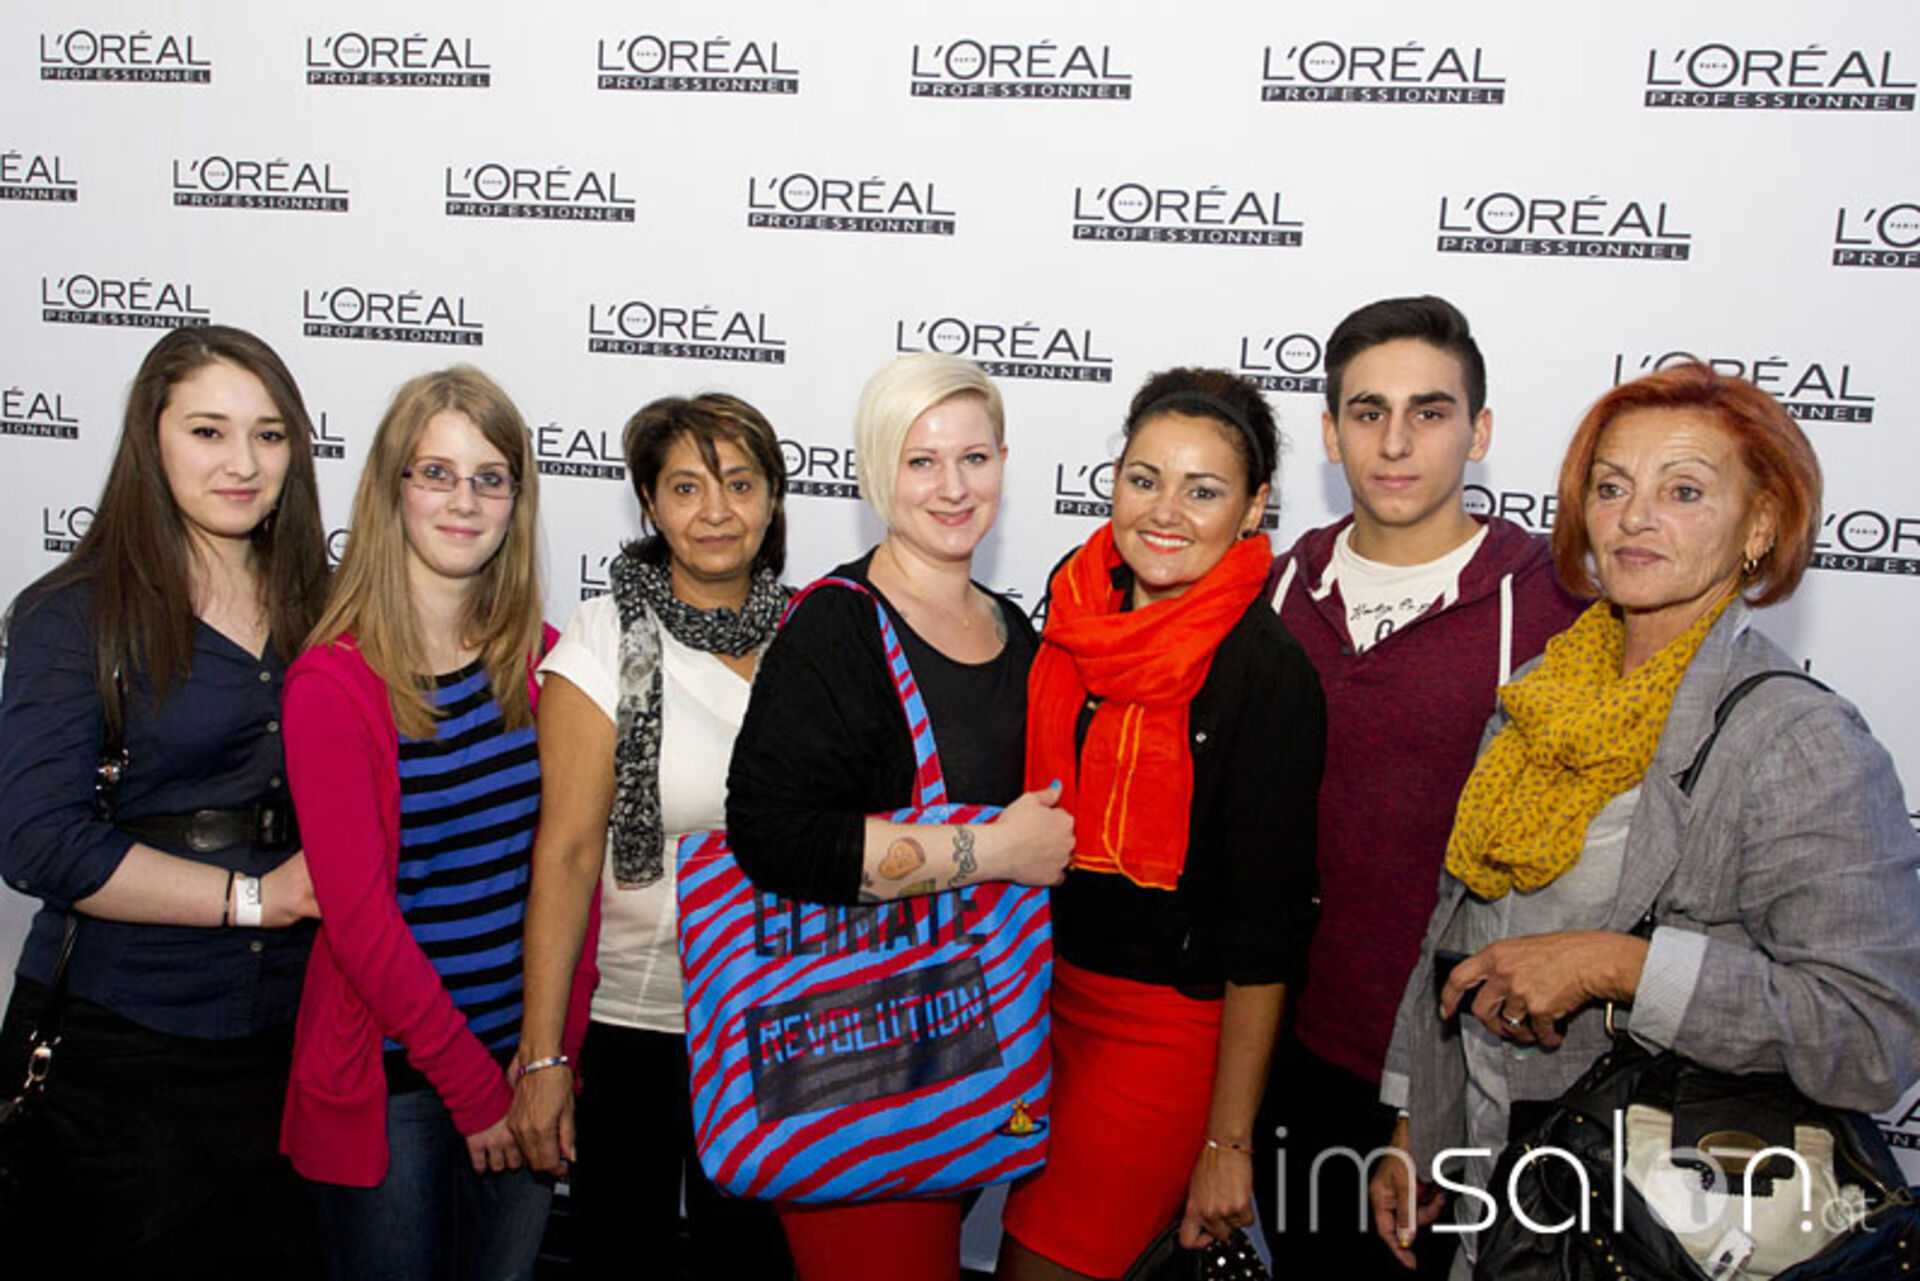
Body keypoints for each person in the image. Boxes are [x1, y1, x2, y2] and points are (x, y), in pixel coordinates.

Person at [1369, 363, 1920, 1277]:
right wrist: (1414, 1124)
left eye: (1684, 491)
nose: (1635, 517)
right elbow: (1459, 926)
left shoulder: (1797, 738)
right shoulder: (1540, 694)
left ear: (1761, 525)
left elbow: (1870, 1036)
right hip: (1498, 1199)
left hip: (1655, 1228)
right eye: (1612, 487)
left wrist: (1619, 965)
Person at [725, 352, 1075, 1281]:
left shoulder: (1012, 629)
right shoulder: (835, 627)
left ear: (1004, 463)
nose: (953, 487)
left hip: (972, 1047)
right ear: (879, 473)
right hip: (854, 1060)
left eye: (974, 458)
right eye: (922, 461)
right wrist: (995, 850)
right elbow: (775, 835)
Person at [1256, 296, 1581, 1272]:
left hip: (1472, 1075)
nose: (1395, 442)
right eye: (1368, 412)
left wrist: (1437, 1099)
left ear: (1479, 432)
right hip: (1294, 1060)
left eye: (1430, 412)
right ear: (1330, 434)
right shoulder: (1277, 590)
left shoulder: (1555, 604)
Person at [0, 325, 329, 1274]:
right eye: (208, 431)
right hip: (125, 1047)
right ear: (152, 438)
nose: (243, 462)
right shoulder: (74, 614)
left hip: (292, 1040)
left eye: (270, 434)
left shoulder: (327, 606)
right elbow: (39, 841)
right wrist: (256, 898)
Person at [998, 368, 1325, 1281]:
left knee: (1043, 1262)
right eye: (1144, 479)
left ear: (1253, 508)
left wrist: (1229, 1138)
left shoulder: (1266, 670)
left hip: (1164, 1032)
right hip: (1038, 1002)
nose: (1166, 511)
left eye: (1204, 490)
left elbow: (1268, 930)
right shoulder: (1072, 610)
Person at [281, 366, 564, 1281]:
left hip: (523, 1071)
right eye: (436, 472)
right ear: (392, 487)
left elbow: (569, 872)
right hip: (395, 1083)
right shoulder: (334, 683)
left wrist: (550, 1058)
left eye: (490, 477)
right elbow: (359, 923)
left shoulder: (542, 664)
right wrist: (474, 1086)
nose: (464, 500)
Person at [507, 393, 792, 1278]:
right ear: (650, 505)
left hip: (776, 1019)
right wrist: (543, 1055)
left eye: (739, 483)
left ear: (773, 500)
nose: (716, 511)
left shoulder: (815, 636)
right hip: (634, 1020)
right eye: (686, 487)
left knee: (754, 1263)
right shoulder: (602, 637)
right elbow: (564, 854)